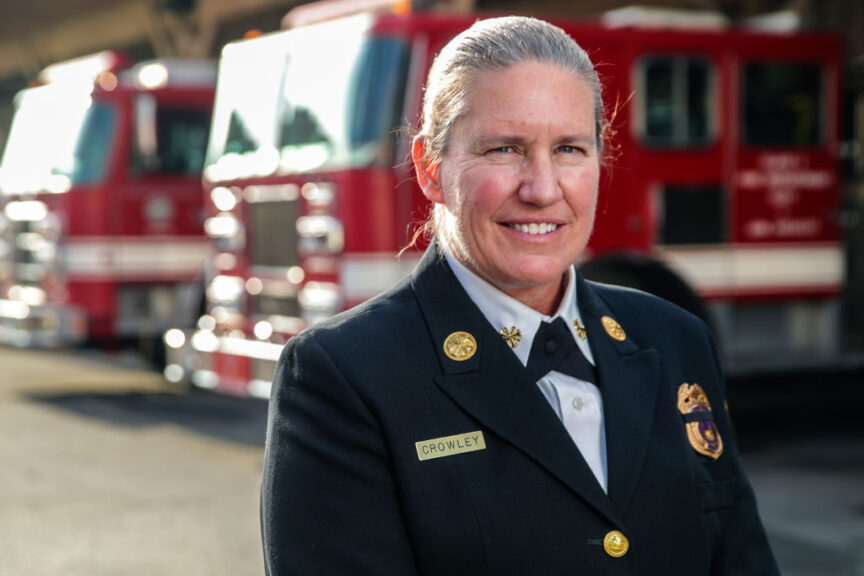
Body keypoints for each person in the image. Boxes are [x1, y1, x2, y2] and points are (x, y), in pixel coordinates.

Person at [261, 16, 779, 576]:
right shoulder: (343, 376)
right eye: (505, 149)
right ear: (430, 169)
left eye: (570, 149)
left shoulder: (675, 338)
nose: (542, 189)